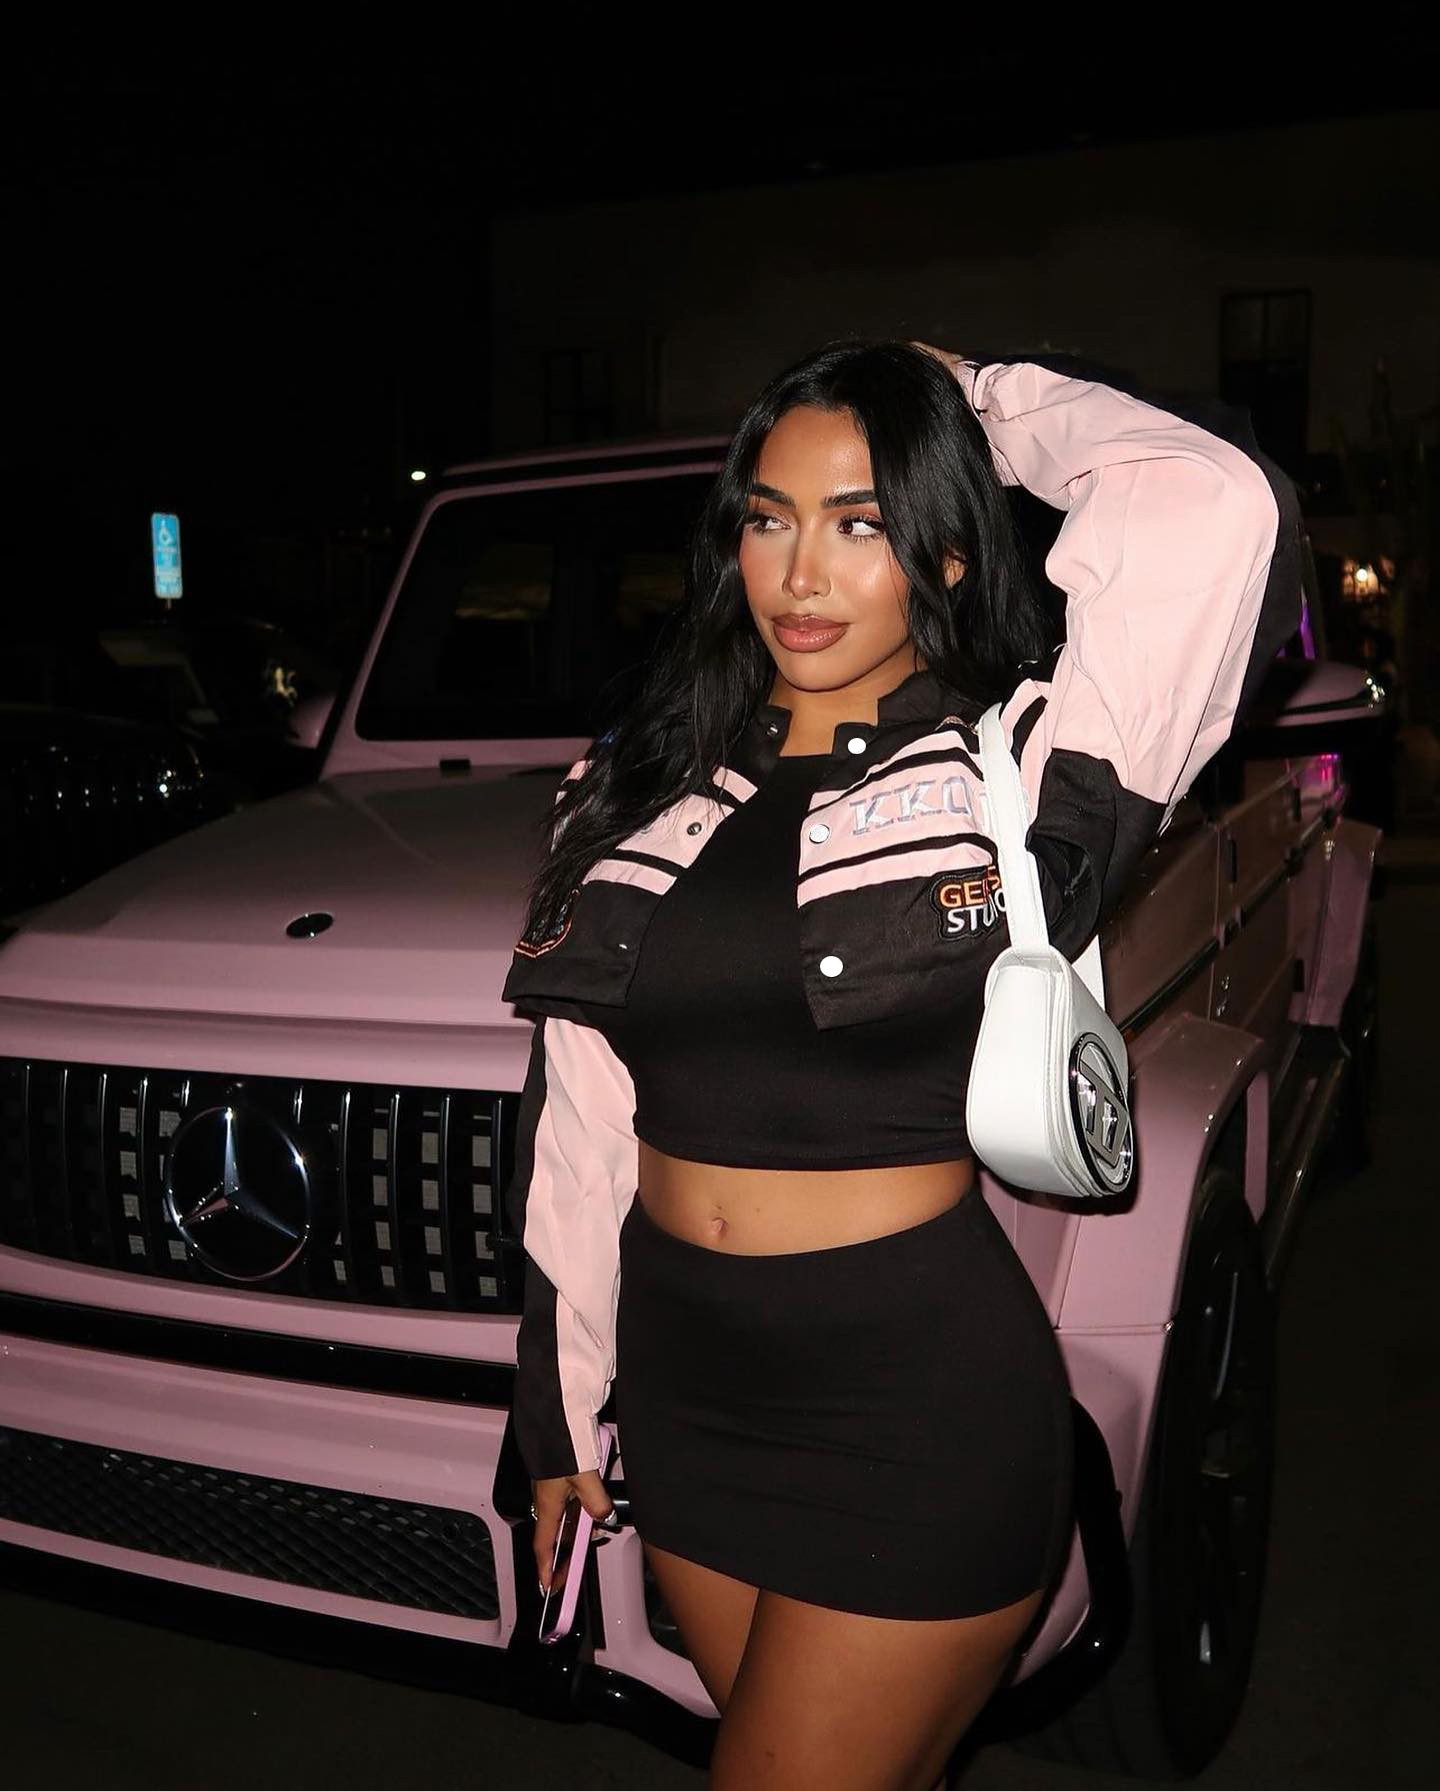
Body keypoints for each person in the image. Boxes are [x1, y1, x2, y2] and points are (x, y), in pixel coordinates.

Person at [500, 340, 1299, 1790]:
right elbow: (582, 1123)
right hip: (687, 1400)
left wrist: (973, 400)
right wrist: (558, 1406)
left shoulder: (1023, 772)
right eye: (768, 519)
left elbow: (1212, 504)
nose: (801, 573)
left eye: (861, 522)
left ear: (946, 546)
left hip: (911, 1404)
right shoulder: (634, 789)